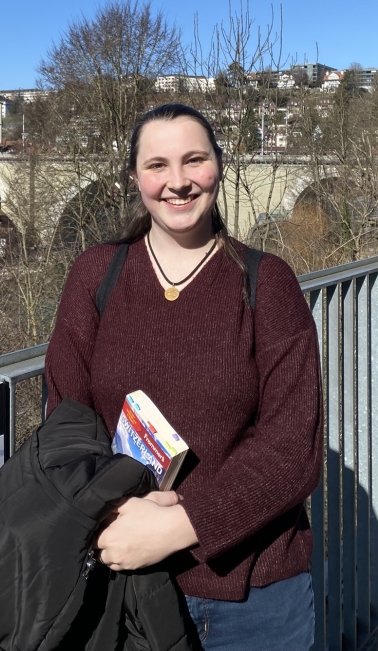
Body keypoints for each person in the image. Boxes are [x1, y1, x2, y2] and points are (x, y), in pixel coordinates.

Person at [46, 103, 323, 651]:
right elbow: (64, 418)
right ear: (134, 177)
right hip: (122, 580)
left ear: (218, 166)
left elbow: (293, 450)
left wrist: (181, 526)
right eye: (157, 165)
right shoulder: (96, 276)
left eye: (194, 160)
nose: (177, 182)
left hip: (251, 598)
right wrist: (118, 513)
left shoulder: (266, 285)